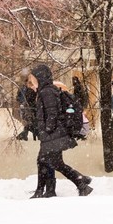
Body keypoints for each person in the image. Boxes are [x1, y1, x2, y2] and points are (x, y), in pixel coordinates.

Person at [29, 64, 93, 198]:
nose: (32, 81)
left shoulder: (46, 92)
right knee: (50, 161)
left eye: (34, 78)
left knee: (47, 161)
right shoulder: (48, 90)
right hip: (53, 134)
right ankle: (76, 183)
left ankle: (78, 182)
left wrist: (47, 130)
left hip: (53, 134)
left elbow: (52, 112)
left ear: (40, 77)